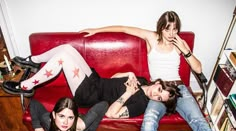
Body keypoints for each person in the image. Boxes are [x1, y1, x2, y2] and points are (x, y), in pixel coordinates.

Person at [79, 10, 236, 131]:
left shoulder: (180, 44)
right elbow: (124, 28)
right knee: (149, 121)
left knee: (200, 123)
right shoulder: (151, 38)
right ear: (161, 28)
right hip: (159, 91)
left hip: (178, 89)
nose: (171, 34)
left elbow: (199, 69)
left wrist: (185, 51)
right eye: (167, 29)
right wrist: (96, 30)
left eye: (174, 29)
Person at [3, 44, 181, 118]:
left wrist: (127, 94)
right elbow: (112, 80)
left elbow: (111, 114)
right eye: (159, 91)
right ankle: (33, 61)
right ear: (158, 83)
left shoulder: (141, 104)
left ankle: (25, 86)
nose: (154, 95)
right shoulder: (141, 80)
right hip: (96, 81)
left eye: (159, 98)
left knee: (64, 57)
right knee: (67, 48)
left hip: (89, 95)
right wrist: (128, 73)